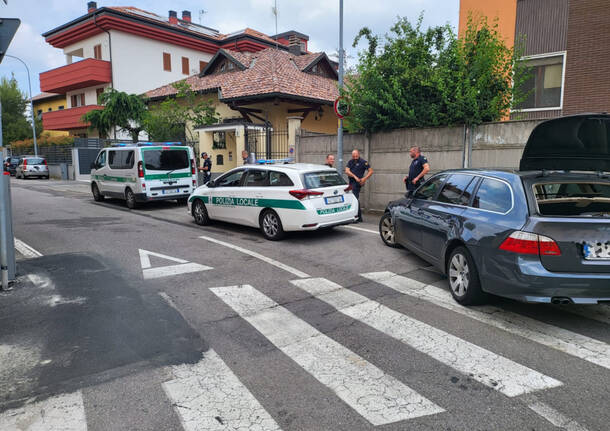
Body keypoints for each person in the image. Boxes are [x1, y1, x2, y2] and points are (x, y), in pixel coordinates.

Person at [345, 149, 373, 222]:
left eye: (356, 156)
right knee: (354, 198)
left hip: (357, 183)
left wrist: (364, 178)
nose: (355, 157)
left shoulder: (363, 162)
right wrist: (354, 176)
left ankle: (358, 217)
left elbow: (371, 171)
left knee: (354, 198)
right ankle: (358, 217)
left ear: (359, 154)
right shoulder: (350, 162)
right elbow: (347, 171)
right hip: (351, 181)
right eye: (353, 156)